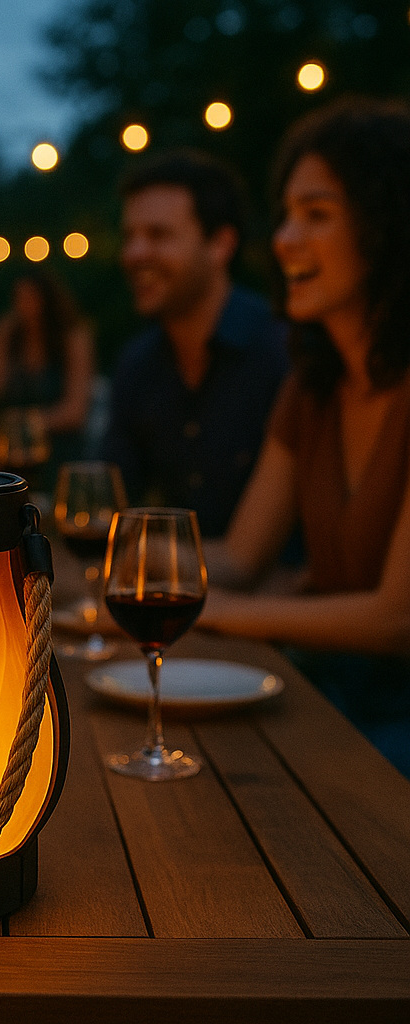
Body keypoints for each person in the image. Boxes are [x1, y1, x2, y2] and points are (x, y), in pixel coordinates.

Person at [200, 98, 410, 777]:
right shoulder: (313, 387)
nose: (286, 238)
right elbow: (241, 555)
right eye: (287, 215)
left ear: (389, 228)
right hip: (331, 694)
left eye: (317, 215)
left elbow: (396, 619)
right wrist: (131, 562)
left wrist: (217, 611)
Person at [101, 149, 290, 538]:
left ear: (220, 244)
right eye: (129, 236)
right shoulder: (137, 364)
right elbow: (111, 502)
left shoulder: (282, 353)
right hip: (175, 573)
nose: (134, 253)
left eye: (158, 235)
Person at [0, 271, 94, 489]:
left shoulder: (72, 337)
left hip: (59, 454)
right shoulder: (10, 337)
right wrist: (0, 337)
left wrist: (23, 426)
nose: (25, 305)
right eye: (19, 298)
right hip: (11, 459)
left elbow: (75, 411)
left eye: (31, 297)